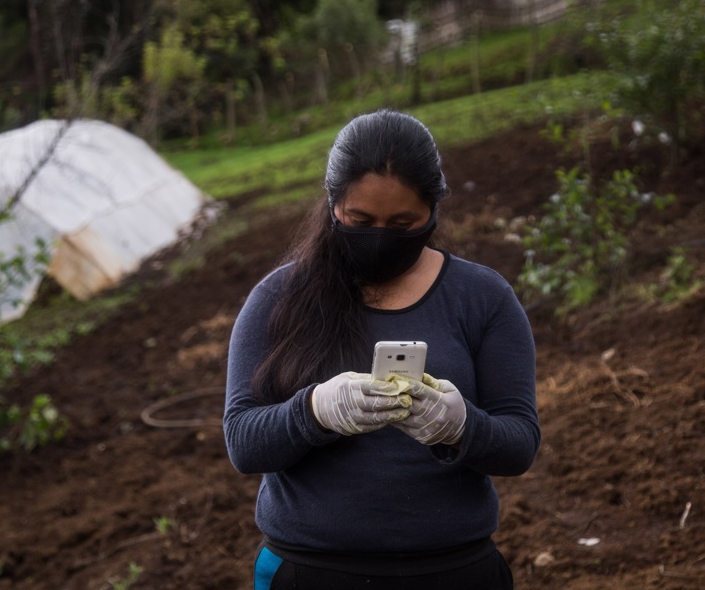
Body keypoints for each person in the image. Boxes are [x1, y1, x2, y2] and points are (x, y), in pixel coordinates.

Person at [223, 109, 540, 590]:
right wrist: (316, 410)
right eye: (361, 219)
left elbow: (519, 443)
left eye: (403, 222)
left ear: (433, 210)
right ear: (333, 206)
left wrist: (459, 426)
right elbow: (243, 442)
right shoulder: (279, 298)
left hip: (453, 572)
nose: (380, 237)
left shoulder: (482, 297)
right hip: (312, 573)